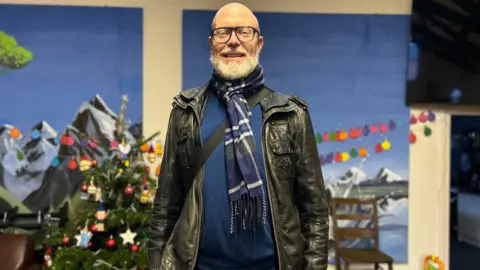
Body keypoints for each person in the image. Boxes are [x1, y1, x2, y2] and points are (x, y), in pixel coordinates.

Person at [148, 3, 329, 270]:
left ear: (259, 43)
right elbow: (166, 203)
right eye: (223, 33)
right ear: (212, 43)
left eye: (245, 32)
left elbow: (314, 213)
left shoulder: (291, 115)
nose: (233, 41)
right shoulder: (186, 111)